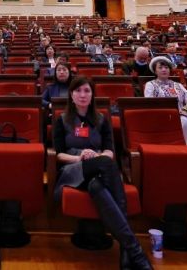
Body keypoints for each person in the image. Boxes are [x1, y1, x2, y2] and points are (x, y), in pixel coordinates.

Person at [52, 77, 152, 270]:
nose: (82, 95)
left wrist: (96, 156)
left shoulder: (101, 119)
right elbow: (58, 154)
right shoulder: (62, 120)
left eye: (87, 91)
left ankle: (130, 252)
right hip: (73, 169)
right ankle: (135, 253)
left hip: (99, 170)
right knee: (105, 164)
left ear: (92, 95)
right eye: (78, 91)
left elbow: (109, 150)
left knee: (97, 184)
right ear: (71, 95)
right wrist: (81, 157)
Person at [144, 57, 187, 145]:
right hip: (160, 115)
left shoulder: (178, 85)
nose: (164, 70)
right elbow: (149, 103)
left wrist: (185, 110)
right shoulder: (150, 84)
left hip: (181, 114)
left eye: (166, 67)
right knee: (184, 121)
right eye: (160, 68)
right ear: (155, 71)